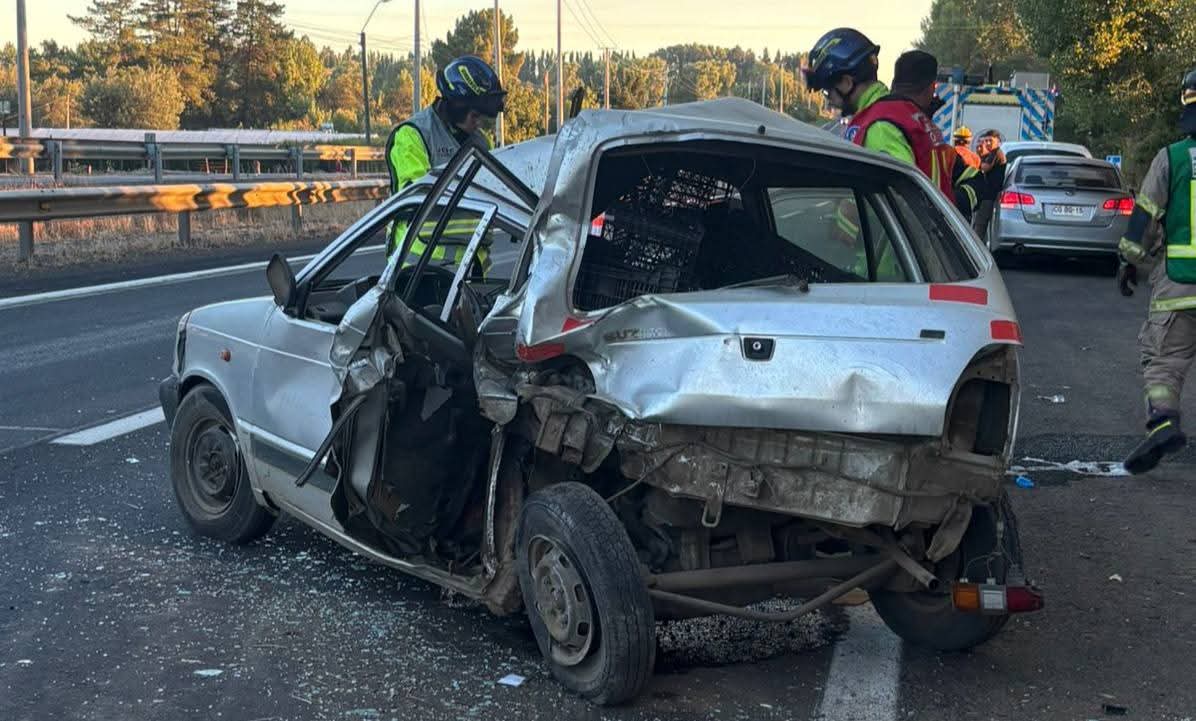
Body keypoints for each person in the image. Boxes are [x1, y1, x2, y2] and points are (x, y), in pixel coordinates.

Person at [1116, 68, 1196, 474]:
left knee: (1164, 361)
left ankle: (1164, 420)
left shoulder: (1173, 158)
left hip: (1180, 284)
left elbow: (1145, 215)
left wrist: (1129, 260)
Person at [804, 40, 980, 219]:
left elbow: (901, 202)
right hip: (926, 240)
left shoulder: (879, 127)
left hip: (890, 246)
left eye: (828, 91)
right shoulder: (909, 115)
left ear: (847, 83)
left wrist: (844, 225)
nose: (828, 100)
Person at [384, 55, 506, 266]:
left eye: (481, 118)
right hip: (420, 270)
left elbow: (497, 193)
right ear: (456, 104)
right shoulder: (413, 135)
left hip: (470, 270)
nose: (477, 124)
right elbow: (417, 199)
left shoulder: (481, 143)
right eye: (474, 115)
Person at [971, 129, 1007, 239]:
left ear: (998, 141)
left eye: (990, 141)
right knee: (978, 224)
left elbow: (984, 168)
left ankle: (975, 249)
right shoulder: (991, 153)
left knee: (979, 226)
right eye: (986, 141)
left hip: (989, 196)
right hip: (986, 195)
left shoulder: (996, 152)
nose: (987, 143)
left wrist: (974, 161)